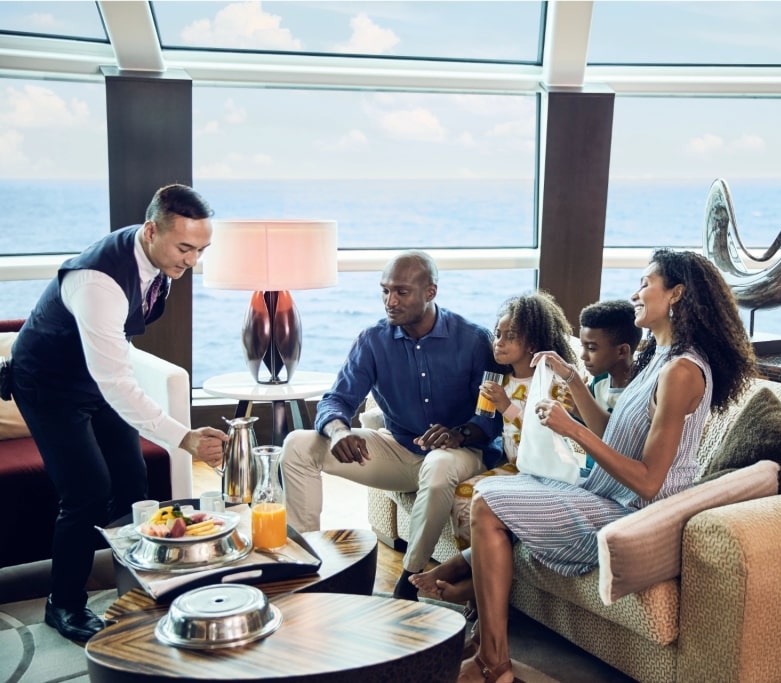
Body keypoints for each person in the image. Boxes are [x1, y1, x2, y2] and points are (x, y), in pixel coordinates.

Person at [460, 249, 758, 683]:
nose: (635, 293)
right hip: (606, 493)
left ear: (675, 294)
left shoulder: (682, 372)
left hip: (635, 511)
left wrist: (571, 430)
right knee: (493, 496)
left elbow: (650, 480)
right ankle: (489, 647)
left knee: (487, 505)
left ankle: (494, 661)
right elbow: (615, 432)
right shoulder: (658, 356)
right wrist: (573, 380)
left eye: (644, 284)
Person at [8, 184, 230, 643]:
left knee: (133, 485)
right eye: (185, 248)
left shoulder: (155, 254)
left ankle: (138, 582)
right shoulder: (98, 281)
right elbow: (116, 382)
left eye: (201, 249)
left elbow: (115, 356)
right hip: (47, 384)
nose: (192, 260)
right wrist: (184, 437)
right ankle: (63, 604)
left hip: (92, 378)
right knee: (87, 491)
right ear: (151, 231)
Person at [280, 250, 503, 600]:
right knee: (297, 444)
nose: (390, 301)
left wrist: (459, 433)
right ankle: (304, 562)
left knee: (440, 463)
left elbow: (492, 418)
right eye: (385, 291)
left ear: (430, 292)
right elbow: (335, 400)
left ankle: (409, 579)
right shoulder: (373, 340)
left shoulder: (473, 340)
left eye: (401, 292)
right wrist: (339, 431)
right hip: (400, 449)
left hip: (461, 453)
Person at [410, 290, 577, 605]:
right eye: (497, 334)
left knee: (480, 496)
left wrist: (507, 407)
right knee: (464, 494)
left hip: (545, 470)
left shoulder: (553, 381)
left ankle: (474, 586)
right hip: (516, 466)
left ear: (532, 342)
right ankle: (477, 576)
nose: (498, 342)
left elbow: (554, 435)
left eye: (509, 336)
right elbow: (484, 423)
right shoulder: (501, 379)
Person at [578, 298, 642, 474]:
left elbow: (614, 436)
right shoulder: (599, 381)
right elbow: (588, 424)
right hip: (586, 468)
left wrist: (574, 383)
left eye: (591, 348)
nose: (583, 356)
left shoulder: (640, 390)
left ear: (622, 351)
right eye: (582, 346)